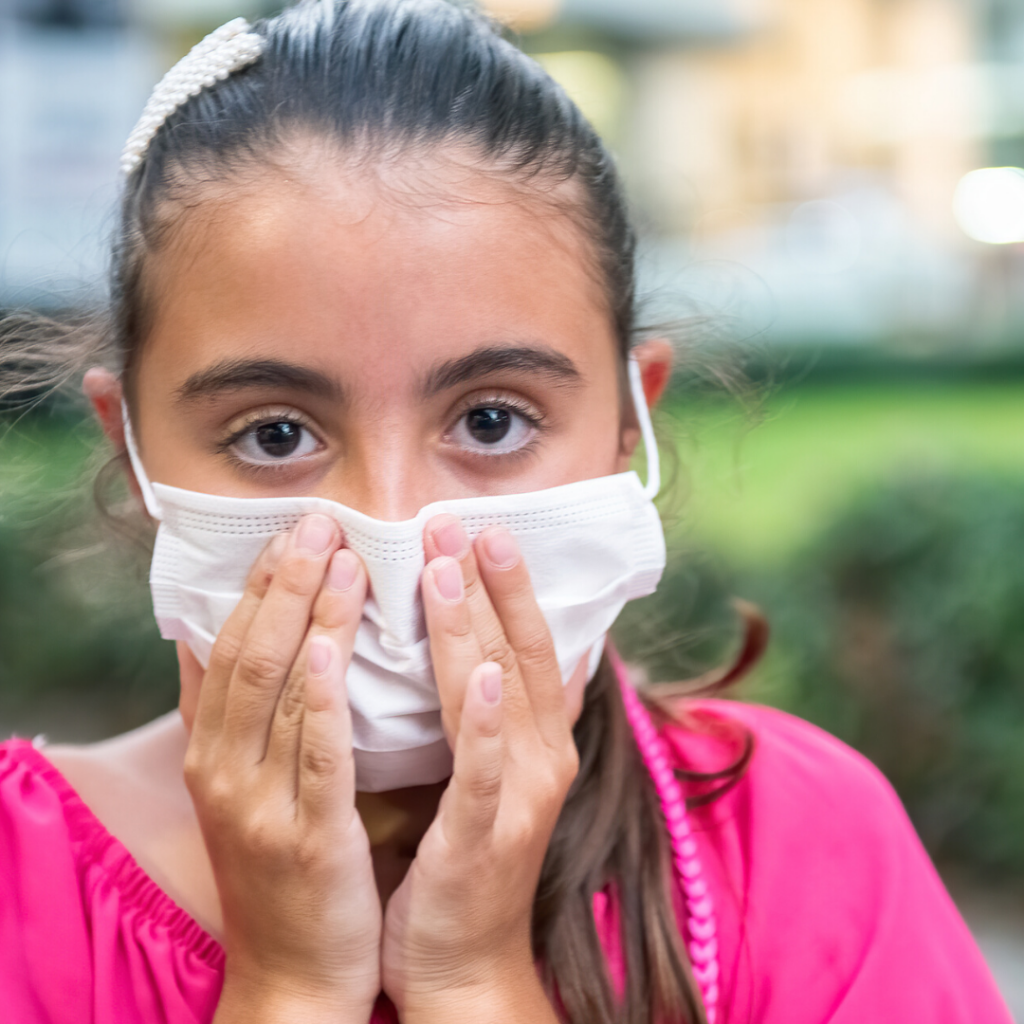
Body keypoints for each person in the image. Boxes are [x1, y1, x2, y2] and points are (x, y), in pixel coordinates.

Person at [0, 2, 1012, 1022]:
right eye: (274, 434)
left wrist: (472, 978)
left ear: (628, 424)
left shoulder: (798, 845)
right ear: (131, 450)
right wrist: (291, 985)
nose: (390, 526)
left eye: (489, 421)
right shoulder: (20, 890)